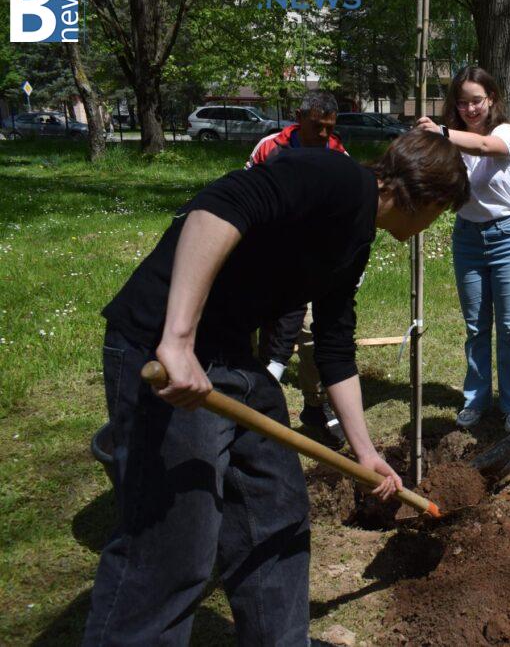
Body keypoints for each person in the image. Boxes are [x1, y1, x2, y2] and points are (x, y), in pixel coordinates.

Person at [83, 130, 469, 646]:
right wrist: (177, 339)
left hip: (231, 358)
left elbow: (334, 347)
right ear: (428, 198)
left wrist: (365, 453)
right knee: (175, 543)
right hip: (162, 350)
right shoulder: (335, 178)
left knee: (276, 511)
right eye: (440, 214)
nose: (431, 226)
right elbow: (218, 206)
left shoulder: (356, 238)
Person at [416, 66, 510, 432]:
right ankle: (476, 400)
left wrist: (441, 132)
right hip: (467, 239)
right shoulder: (449, 143)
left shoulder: (505, 132)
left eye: (476, 101)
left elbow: (485, 147)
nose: (469, 109)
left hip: (508, 238)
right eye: (462, 102)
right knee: (476, 327)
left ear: (491, 99)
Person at [246, 90, 349, 448]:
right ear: (299, 117)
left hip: (311, 263)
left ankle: (316, 406)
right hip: (265, 256)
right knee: (254, 329)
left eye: (329, 127)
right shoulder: (269, 148)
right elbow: (246, 194)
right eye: (317, 126)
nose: (323, 134)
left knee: (310, 331)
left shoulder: (337, 154)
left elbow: (345, 213)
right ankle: (252, 405)